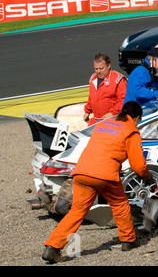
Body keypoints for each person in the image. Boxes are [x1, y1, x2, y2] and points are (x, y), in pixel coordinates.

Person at [41, 101, 151, 264]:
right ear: (136, 118)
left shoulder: (104, 124)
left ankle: (53, 247)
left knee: (77, 212)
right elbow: (138, 165)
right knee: (120, 205)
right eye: (139, 121)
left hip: (82, 171)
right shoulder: (131, 131)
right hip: (105, 175)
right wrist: (146, 176)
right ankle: (128, 241)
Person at [84, 53, 128, 126]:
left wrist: (112, 113)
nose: (98, 71)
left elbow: (123, 100)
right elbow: (91, 97)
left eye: (101, 68)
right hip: (96, 121)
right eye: (96, 69)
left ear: (108, 66)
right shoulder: (93, 79)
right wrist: (87, 111)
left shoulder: (118, 80)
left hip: (113, 121)